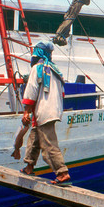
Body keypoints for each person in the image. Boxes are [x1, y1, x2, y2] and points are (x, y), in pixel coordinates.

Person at [18, 41, 71, 186]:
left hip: (44, 110)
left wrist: (26, 112)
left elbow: (31, 91)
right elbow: (62, 93)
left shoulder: (37, 68)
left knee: (49, 145)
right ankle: (29, 166)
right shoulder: (55, 70)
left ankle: (62, 173)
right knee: (35, 137)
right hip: (53, 110)